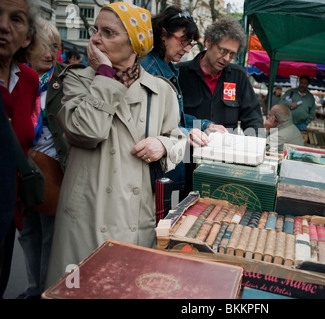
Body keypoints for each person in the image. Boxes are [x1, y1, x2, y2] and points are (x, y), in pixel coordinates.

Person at [45, 2, 186, 288]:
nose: (96, 39)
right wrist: (105, 75)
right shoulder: (75, 80)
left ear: (135, 43)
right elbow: (87, 131)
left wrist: (162, 144)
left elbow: (179, 141)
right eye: (95, 30)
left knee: (123, 289)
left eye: (108, 32)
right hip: (85, 216)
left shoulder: (162, 91)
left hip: (134, 216)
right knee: (77, 290)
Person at [140, 6, 225, 195]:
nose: (187, 48)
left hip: (168, 168)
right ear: (163, 34)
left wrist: (204, 125)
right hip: (153, 174)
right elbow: (147, 126)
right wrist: (189, 131)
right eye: (184, 41)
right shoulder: (149, 71)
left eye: (191, 43)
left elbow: (172, 118)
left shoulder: (167, 68)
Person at [177, 17, 264, 194]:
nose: (226, 58)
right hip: (187, 164)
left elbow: (253, 117)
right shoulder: (181, 74)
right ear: (208, 42)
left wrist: (255, 151)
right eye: (223, 50)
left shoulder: (238, 77)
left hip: (225, 168)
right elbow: (170, 118)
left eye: (232, 54)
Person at [15, 18, 69, 299]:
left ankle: (46, 292)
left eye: (55, 46)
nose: (50, 53)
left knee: (49, 235)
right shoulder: (18, 78)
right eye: (43, 46)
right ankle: (34, 288)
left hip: (52, 171)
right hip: (21, 168)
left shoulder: (65, 78)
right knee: (27, 234)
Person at [0, 0, 40, 299]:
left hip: (9, 214)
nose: (3, 26)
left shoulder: (28, 80)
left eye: (16, 19)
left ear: (27, 36)